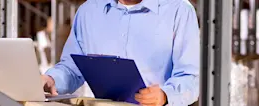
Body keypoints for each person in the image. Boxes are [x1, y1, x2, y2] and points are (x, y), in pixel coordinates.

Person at [41, 0, 200, 105]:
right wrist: (53, 80)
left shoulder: (179, 11)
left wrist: (165, 95)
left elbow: (190, 79)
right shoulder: (89, 11)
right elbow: (72, 68)